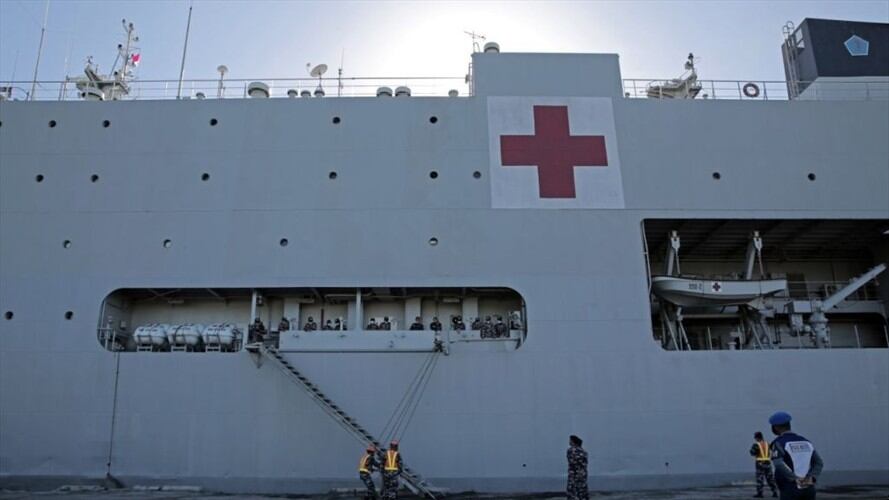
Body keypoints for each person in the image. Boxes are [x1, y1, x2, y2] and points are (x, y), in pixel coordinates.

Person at [768, 412, 823, 500]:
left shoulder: (779, 443)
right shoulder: (806, 442)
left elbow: (778, 463)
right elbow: (819, 463)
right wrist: (812, 477)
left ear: (776, 427)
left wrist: (794, 478)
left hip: (790, 488)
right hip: (809, 488)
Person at [750, 431, 778, 498]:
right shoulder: (767, 444)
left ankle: (760, 493)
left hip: (760, 463)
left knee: (760, 478)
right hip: (768, 463)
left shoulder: (756, 445)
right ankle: (775, 492)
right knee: (770, 478)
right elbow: (773, 451)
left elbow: (752, 453)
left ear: (757, 437)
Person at [566, 435, 589, 500]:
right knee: (582, 490)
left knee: (572, 491)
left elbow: (571, 461)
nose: (569, 442)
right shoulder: (584, 451)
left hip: (574, 473)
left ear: (573, 441)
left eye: (570, 440)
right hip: (583, 473)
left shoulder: (571, 450)